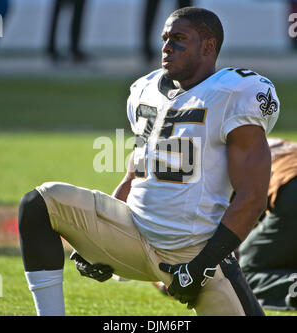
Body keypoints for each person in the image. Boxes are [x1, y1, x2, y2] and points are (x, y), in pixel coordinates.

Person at [19, 7, 280, 316]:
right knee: (39, 204)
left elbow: (252, 197)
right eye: (165, 38)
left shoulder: (235, 93)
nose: (167, 47)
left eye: (179, 38)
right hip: (134, 233)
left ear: (208, 47)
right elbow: (135, 173)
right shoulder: (145, 90)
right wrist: (90, 246)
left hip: (195, 250)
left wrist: (203, 265)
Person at [238, 137, 297, 311]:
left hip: (290, 190)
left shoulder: (228, 155)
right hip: (288, 189)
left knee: (239, 273)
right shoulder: (279, 143)